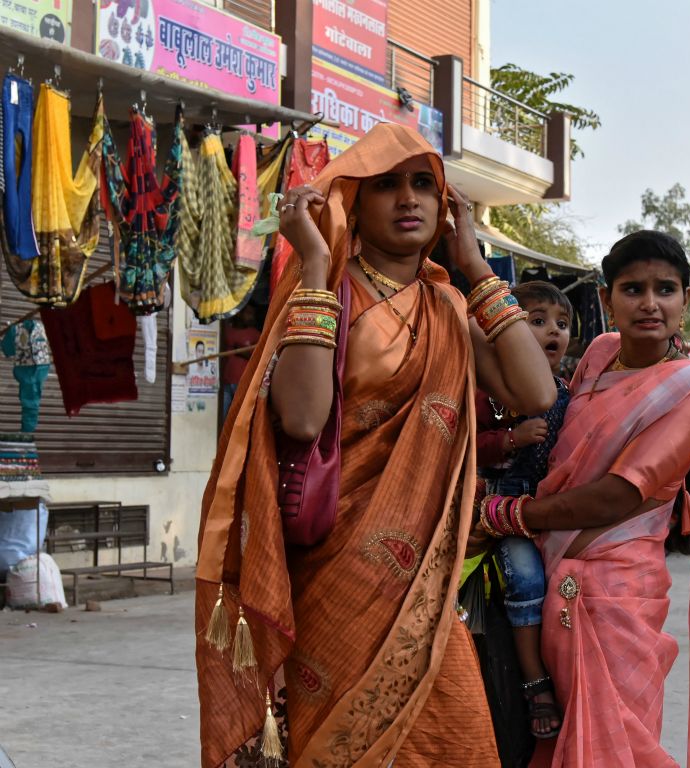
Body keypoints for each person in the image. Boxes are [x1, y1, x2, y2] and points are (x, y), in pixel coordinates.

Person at [194, 123, 557, 768]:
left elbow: (536, 395)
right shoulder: (327, 287)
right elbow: (304, 420)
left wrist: (475, 267)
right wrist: (310, 261)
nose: (408, 198)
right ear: (352, 202)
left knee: (452, 735)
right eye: (386, 184)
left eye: (423, 183)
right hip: (332, 569)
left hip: (423, 582)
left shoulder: (446, 304)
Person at [475, 231, 690, 766]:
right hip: (549, 577)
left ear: (687, 298)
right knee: (553, 740)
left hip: (617, 593)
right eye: (632, 288)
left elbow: (619, 494)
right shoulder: (596, 355)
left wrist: (504, 514)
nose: (649, 303)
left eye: (665, 289)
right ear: (604, 298)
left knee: (619, 743)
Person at [474, 280, 571, 739]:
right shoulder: (486, 393)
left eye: (562, 324)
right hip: (498, 507)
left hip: (549, 507)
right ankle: (537, 685)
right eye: (537, 322)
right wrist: (509, 439)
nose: (553, 331)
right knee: (528, 579)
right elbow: (458, 446)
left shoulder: (568, 394)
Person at [220, 304, 260, 422]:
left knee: (239, 419)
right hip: (226, 382)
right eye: (248, 314)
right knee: (222, 418)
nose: (251, 317)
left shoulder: (255, 334)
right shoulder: (226, 331)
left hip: (243, 384)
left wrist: (241, 352)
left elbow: (259, 357)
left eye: (252, 314)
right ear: (239, 314)